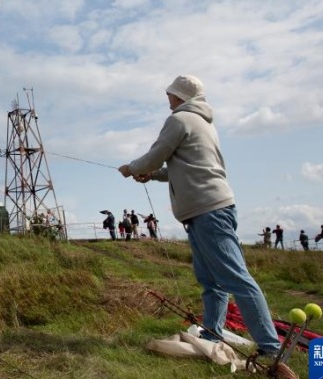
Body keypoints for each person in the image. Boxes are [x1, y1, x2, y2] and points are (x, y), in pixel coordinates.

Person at [118, 75, 281, 359]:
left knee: (236, 279)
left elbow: (155, 156)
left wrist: (132, 168)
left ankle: (270, 347)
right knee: (211, 281)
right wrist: (153, 175)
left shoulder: (179, 121)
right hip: (210, 210)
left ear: (178, 95)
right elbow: (178, 167)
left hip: (208, 211)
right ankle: (212, 333)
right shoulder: (204, 125)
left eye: (169, 93)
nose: (167, 99)